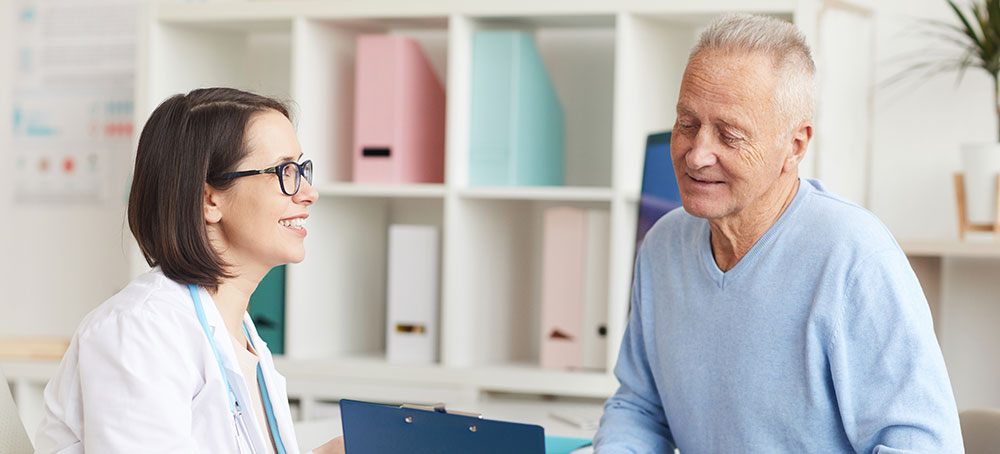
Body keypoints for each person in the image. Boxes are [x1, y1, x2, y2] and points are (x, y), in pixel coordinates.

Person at [594, 14, 963, 453]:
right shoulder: (662, 246)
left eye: (729, 135)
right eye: (687, 124)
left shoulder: (855, 258)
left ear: (795, 146)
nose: (696, 155)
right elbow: (639, 408)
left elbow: (922, 446)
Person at [35, 88, 344, 454]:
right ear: (209, 199)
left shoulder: (239, 333)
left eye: (301, 169)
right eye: (284, 171)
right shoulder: (138, 330)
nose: (308, 193)